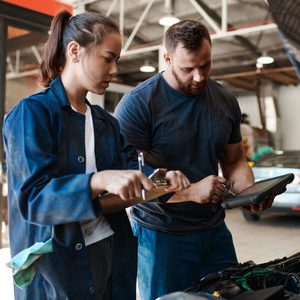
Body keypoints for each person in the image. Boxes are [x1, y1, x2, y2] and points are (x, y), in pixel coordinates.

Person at [3, 10, 189, 300]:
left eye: (117, 60)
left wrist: (162, 182)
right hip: (60, 265)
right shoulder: (32, 114)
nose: (114, 69)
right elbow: (34, 200)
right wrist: (96, 180)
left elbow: (134, 179)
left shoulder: (107, 123)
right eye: (108, 58)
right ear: (75, 51)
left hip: (112, 252)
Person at [114, 20, 274, 300]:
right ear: (167, 58)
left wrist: (247, 194)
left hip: (215, 233)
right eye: (188, 69)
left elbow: (235, 160)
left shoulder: (225, 99)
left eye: (206, 65)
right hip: (161, 237)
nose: (199, 77)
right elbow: (128, 179)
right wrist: (190, 192)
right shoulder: (139, 104)